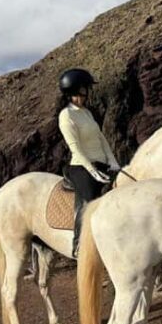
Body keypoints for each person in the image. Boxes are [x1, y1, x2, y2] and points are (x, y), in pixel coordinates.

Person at [57, 68, 120, 257]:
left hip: (102, 164)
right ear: (76, 90)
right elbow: (75, 147)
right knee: (88, 201)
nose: (87, 92)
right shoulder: (66, 115)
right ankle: (79, 244)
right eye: (85, 88)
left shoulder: (86, 113)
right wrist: (93, 172)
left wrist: (113, 162)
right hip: (82, 167)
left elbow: (101, 139)